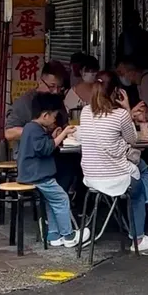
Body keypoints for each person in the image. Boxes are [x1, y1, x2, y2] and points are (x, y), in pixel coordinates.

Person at [79, 72, 148, 252]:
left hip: (91, 178)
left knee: (141, 166)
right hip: (116, 178)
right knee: (139, 182)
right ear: (116, 91)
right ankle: (139, 238)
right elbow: (132, 139)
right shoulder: (120, 115)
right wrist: (126, 108)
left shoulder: (85, 112)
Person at [17, 92, 89, 248]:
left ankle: (54, 235)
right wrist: (63, 134)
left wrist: (53, 136)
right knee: (62, 198)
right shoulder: (35, 129)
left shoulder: (31, 128)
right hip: (39, 176)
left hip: (33, 174)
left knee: (51, 202)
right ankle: (69, 235)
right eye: (54, 116)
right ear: (45, 115)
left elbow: (42, 145)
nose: (55, 119)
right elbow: (45, 149)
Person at [5, 61, 69, 152]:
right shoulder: (23, 103)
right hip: (30, 156)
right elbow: (9, 133)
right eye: (52, 86)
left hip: (55, 153)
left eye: (59, 88)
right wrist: (39, 131)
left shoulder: (57, 100)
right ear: (40, 82)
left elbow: (64, 123)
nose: (55, 91)